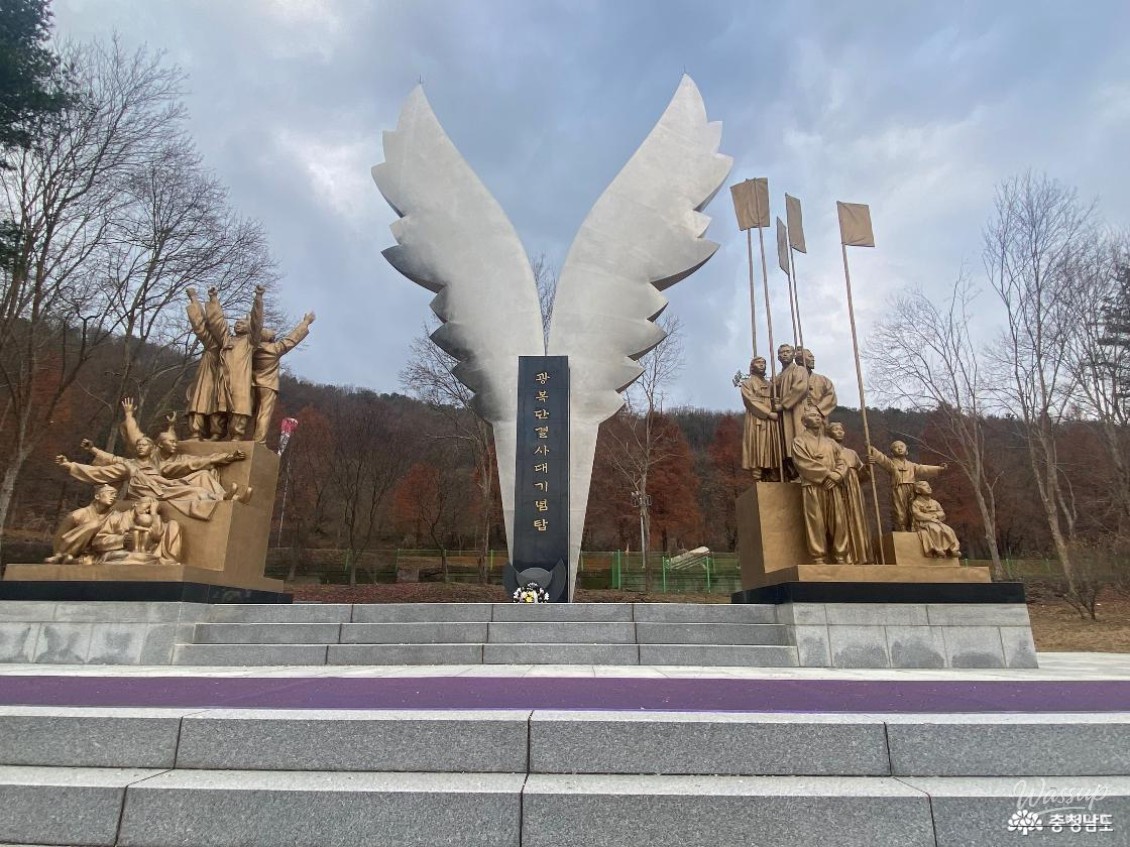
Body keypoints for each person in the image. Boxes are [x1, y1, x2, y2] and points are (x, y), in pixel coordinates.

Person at [116, 398, 251, 502]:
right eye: (171, 442)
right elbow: (135, 435)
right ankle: (220, 498)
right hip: (159, 486)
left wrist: (228, 457)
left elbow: (198, 461)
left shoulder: (178, 457)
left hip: (173, 483)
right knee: (194, 490)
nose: (175, 445)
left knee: (203, 474)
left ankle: (228, 497)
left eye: (176, 442)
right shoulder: (150, 452)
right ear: (160, 445)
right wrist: (129, 415)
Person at [206, 285, 264, 440]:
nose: (238, 324)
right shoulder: (227, 339)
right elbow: (217, 323)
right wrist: (213, 299)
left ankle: (236, 435)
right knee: (219, 407)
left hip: (240, 381)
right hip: (223, 379)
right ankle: (215, 433)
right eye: (236, 323)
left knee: (239, 409)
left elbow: (257, 322)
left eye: (242, 323)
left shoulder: (250, 342)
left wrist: (258, 298)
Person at [791, 410, 850, 564]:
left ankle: (841, 556)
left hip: (833, 486)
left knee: (839, 521)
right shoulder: (799, 441)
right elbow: (802, 463)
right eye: (812, 416)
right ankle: (819, 557)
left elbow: (842, 460)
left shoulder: (830, 442)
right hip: (813, 485)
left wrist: (838, 475)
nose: (817, 418)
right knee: (815, 522)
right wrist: (827, 474)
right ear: (804, 421)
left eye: (819, 416)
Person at [252, 311, 315, 444]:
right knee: (264, 413)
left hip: (251, 384)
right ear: (271, 339)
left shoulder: (252, 350)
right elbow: (292, 339)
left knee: (250, 413)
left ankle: (244, 439)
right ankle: (258, 441)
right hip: (268, 385)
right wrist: (306, 322)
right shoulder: (274, 349)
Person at [868, 441, 947, 532]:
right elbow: (882, 459)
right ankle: (902, 530)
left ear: (907, 451)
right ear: (892, 452)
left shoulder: (911, 465)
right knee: (900, 512)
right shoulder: (891, 464)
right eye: (896, 447)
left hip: (912, 489)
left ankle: (914, 530)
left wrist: (939, 468)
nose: (899, 448)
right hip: (899, 489)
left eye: (902, 446)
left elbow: (924, 468)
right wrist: (872, 449)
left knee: (912, 511)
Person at [828, 421, 874, 564]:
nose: (840, 431)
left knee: (857, 519)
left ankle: (862, 556)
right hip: (839, 486)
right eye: (836, 429)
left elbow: (862, 475)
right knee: (842, 520)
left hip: (854, 489)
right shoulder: (828, 450)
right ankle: (845, 556)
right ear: (829, 433)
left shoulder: (852, 453)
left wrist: (868, 466)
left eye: (841, 429)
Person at [184, 287, 224, 440]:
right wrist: (194, 298)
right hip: (208, 372)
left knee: (218, 405)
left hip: (225, 380)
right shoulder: (212, 345)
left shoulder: (234, 345)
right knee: (200, 400)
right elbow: (201, 326)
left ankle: (215, 432)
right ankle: (196, 431)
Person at [739, 356, 780, 480]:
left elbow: (776, 400)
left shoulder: (770, 384)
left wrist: (776, 401)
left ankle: (773, 472)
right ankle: (757, 474)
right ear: (752, 366)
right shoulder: (747, 384)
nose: (762, 365)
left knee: (771, 446)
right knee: (757, 446)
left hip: (771, 422)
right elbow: (750, 401)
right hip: (757, 419)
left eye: (764, 363)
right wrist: (768, 413)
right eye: (758, 363)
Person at [910, 481, 961, 558]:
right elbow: (917, 514)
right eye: (924, 486)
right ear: (918, 491)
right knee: (936, 530)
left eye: (929, 486)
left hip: (936, 522)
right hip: (923, 523)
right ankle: (938, 549)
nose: (928, 488)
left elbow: (942, 513)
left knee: (949, 530)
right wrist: (930, 517)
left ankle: (953, 549)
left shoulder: (935, 502)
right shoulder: (916, 503)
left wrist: (935, 516)